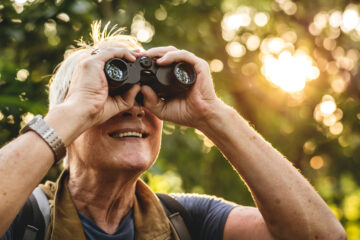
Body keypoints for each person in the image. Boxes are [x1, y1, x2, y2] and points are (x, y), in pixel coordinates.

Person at [0, 21, 346, 240]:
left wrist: (211, 113)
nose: (135, 107)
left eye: (149, 95)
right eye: (112, 93)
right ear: (68, 112)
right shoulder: (25, 218)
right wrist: (79, 109)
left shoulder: (187, 221)